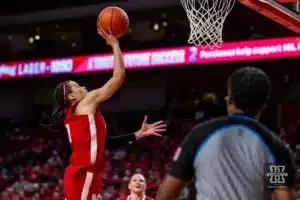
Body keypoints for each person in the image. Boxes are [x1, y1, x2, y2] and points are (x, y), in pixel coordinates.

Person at [48, 29, 167, 200]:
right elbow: (118, 77)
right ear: (73, 97)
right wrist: (115, 45)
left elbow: (106, 144)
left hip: (87, 172)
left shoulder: (81, 115)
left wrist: (137, 134)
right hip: (83, 172)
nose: (83, 87)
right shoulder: (84, 103)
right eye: (78, 86)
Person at [156, 67, 296, 200]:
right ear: (263, 105)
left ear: (229, 99)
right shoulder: (276, 148)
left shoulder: (200, 135)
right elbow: (283, 197)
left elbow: (166, 195)